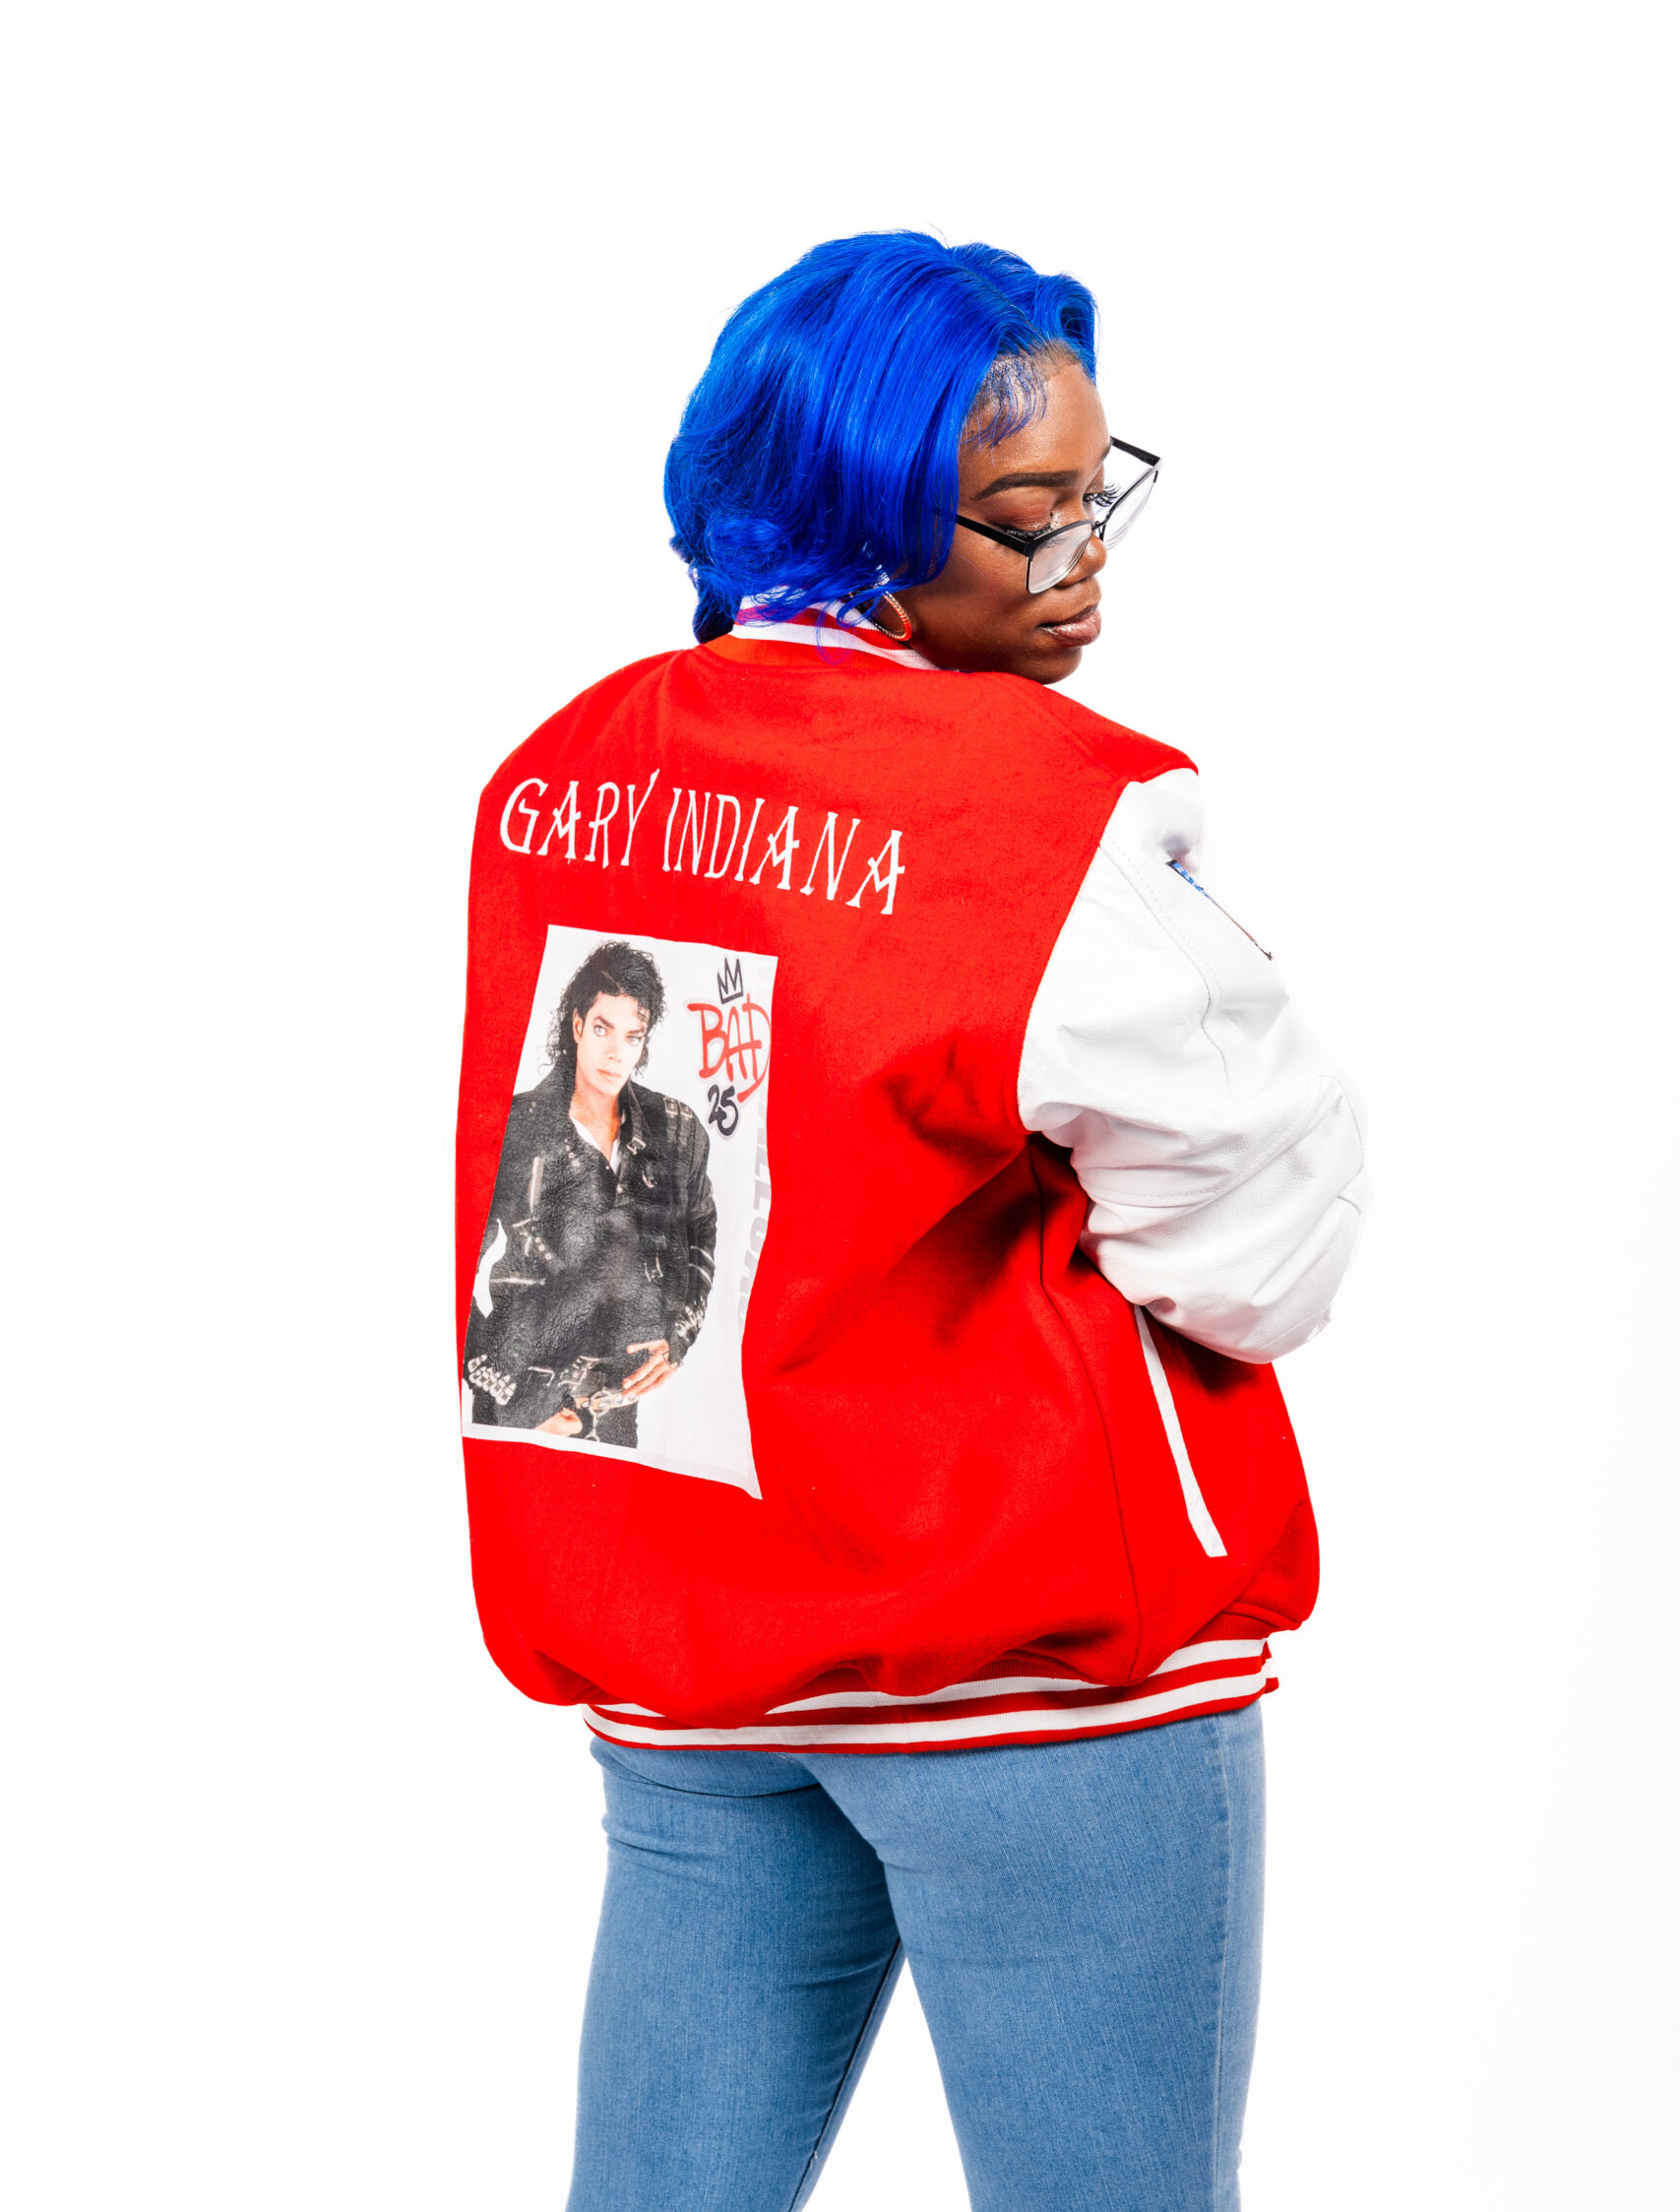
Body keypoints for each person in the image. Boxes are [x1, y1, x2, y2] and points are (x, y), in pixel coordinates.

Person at [453, 233, 1368, 2210]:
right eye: (1029, 513)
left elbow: (602, 1203)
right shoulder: (1046, 808)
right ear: (863, 509)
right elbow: (1263, 1230)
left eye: (1100, 494)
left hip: (691, 1648)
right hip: (1033, 1675)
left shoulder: (566, 772)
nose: (1081, 557)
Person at [464, 940, 716, 1448]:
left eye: (632, 1036)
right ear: (578, 1025)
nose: (616, 1052)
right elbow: (445, 1260)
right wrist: (491, 1372)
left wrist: (679, 1335)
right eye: (603, 1028)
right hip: (519, 1404)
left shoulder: (676, 1131)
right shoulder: (513, 1127)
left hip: (614, 1408)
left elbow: (701, 1231)